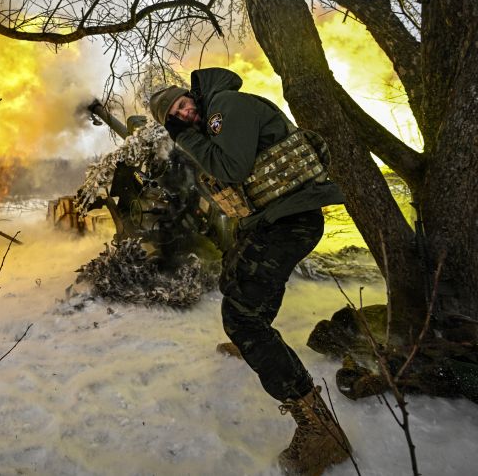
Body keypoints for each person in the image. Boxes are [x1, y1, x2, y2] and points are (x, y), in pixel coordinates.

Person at [149, 68, 350, 474]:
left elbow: (233, 169)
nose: (184, 114)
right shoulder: (216, 117)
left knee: (241, 319)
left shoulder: (223, 107)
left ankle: (319, 429)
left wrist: (185, 137)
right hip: (273, 218)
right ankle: (253, 344)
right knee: (233, 276)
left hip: (290, 220)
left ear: (192, 96)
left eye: (182, 104)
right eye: (174, 116)